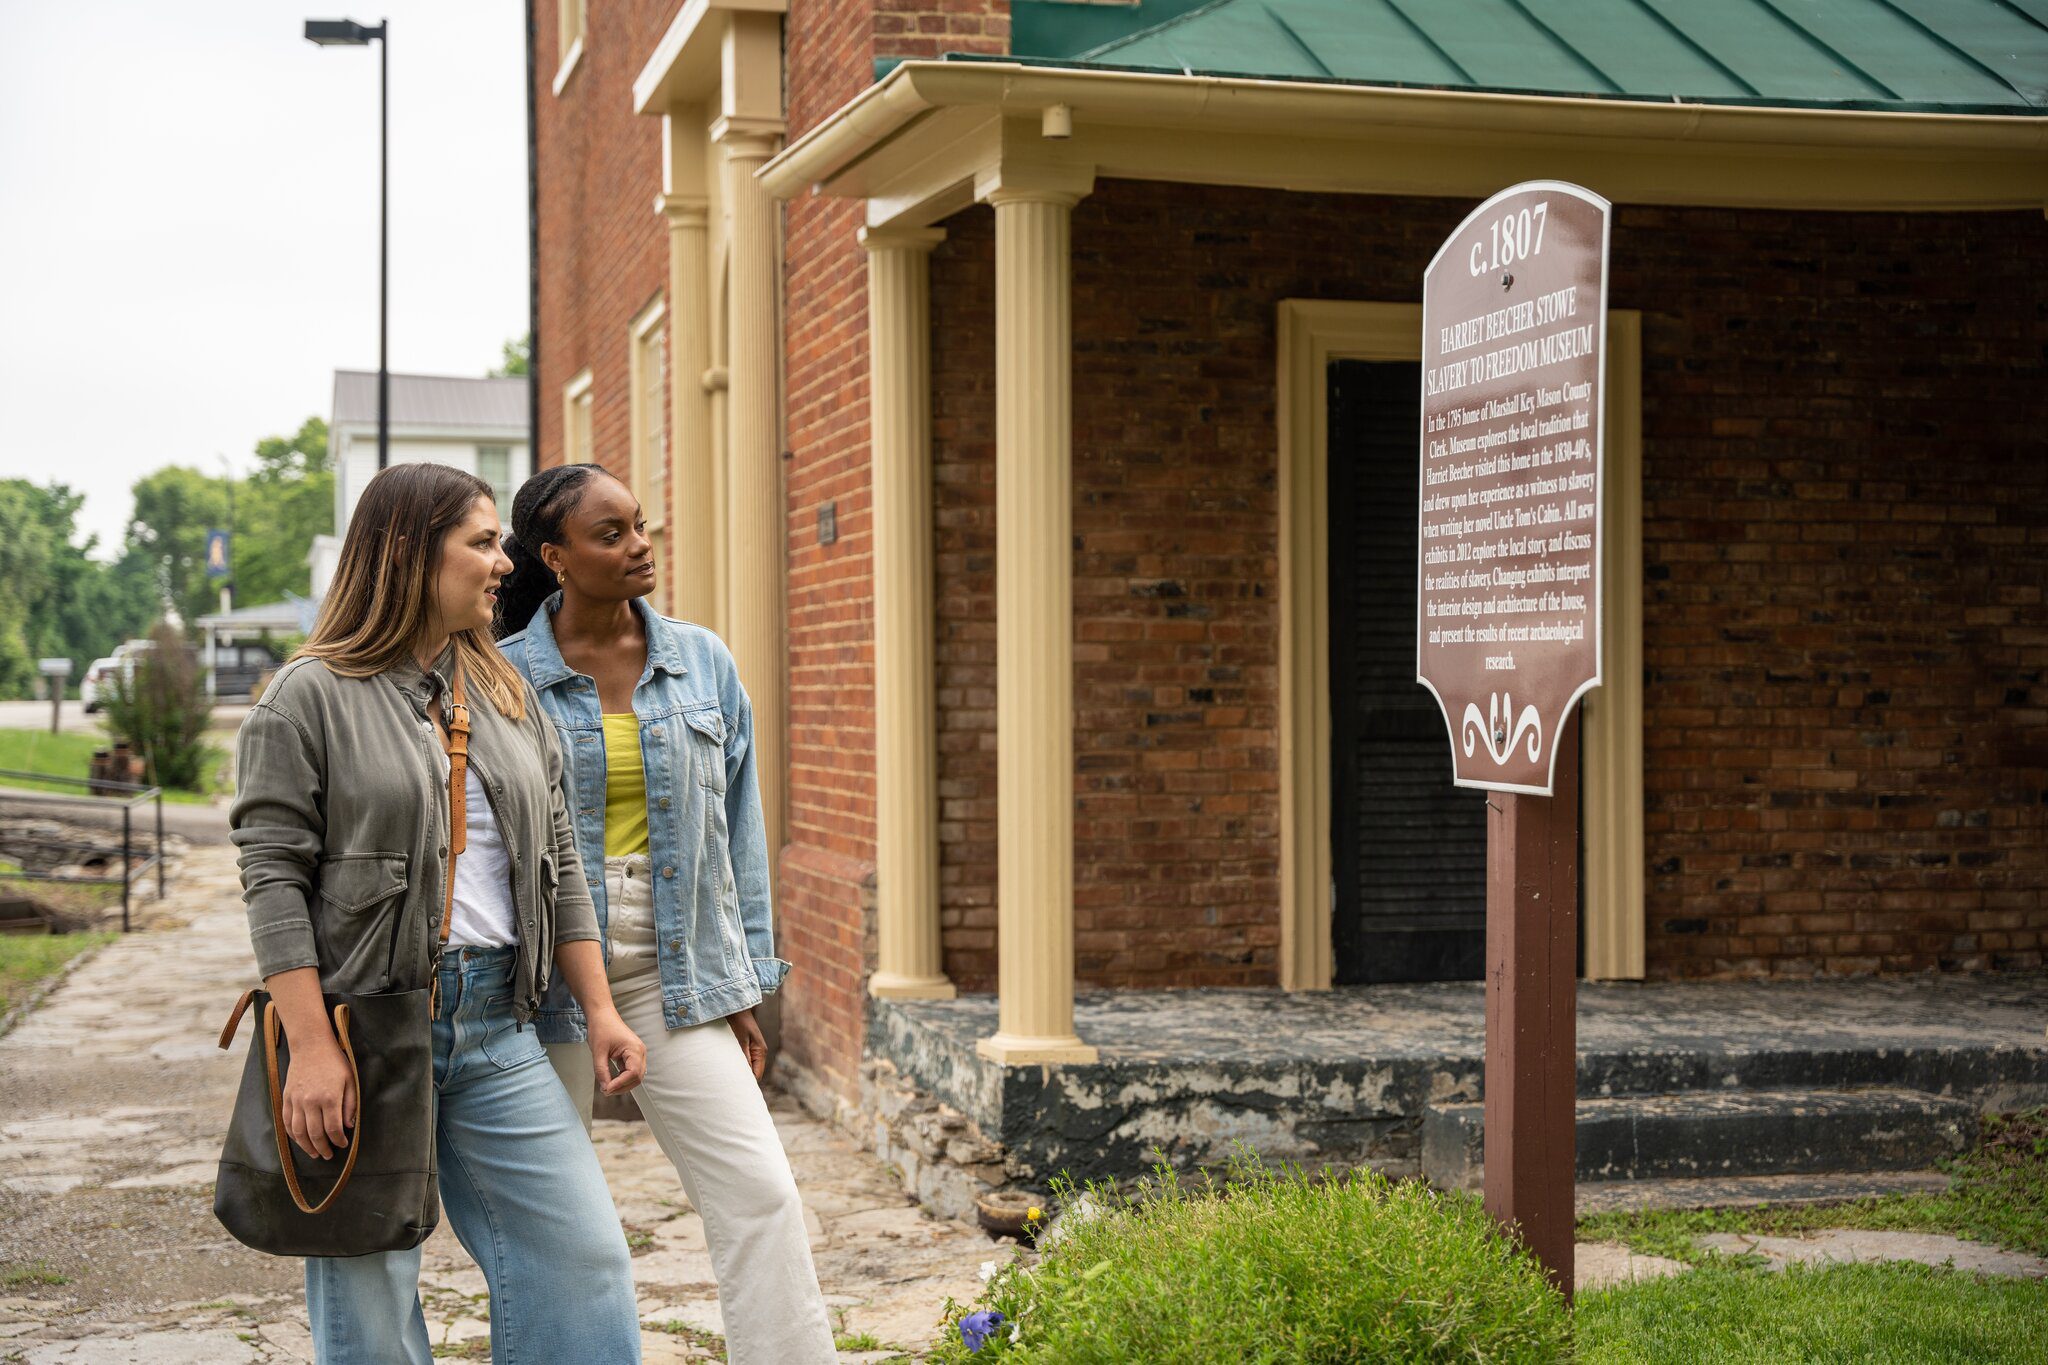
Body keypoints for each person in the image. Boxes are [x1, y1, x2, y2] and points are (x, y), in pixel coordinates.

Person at [230, 463, 647, 1364]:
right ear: (411, 552)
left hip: (498, 1025)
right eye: (482, 542)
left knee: (584, 1264)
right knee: (371, 1294)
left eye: (501, 541)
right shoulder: (307, 696)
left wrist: (602, 1007)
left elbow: (561, 861)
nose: (504, 563)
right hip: (365, 1028)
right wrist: (309, 1045)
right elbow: (273, 879)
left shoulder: (504, 691)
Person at [495, 463, 837, 1365]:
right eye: (611, 534)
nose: (640, 545)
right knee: (555, 1231)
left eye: (640, 525)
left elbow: (738, 833)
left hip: (675, 963)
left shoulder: (703, 661)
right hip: (541, 978)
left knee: (760, 1192)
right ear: (553, 558)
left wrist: (749, 986)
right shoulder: (502, 677)